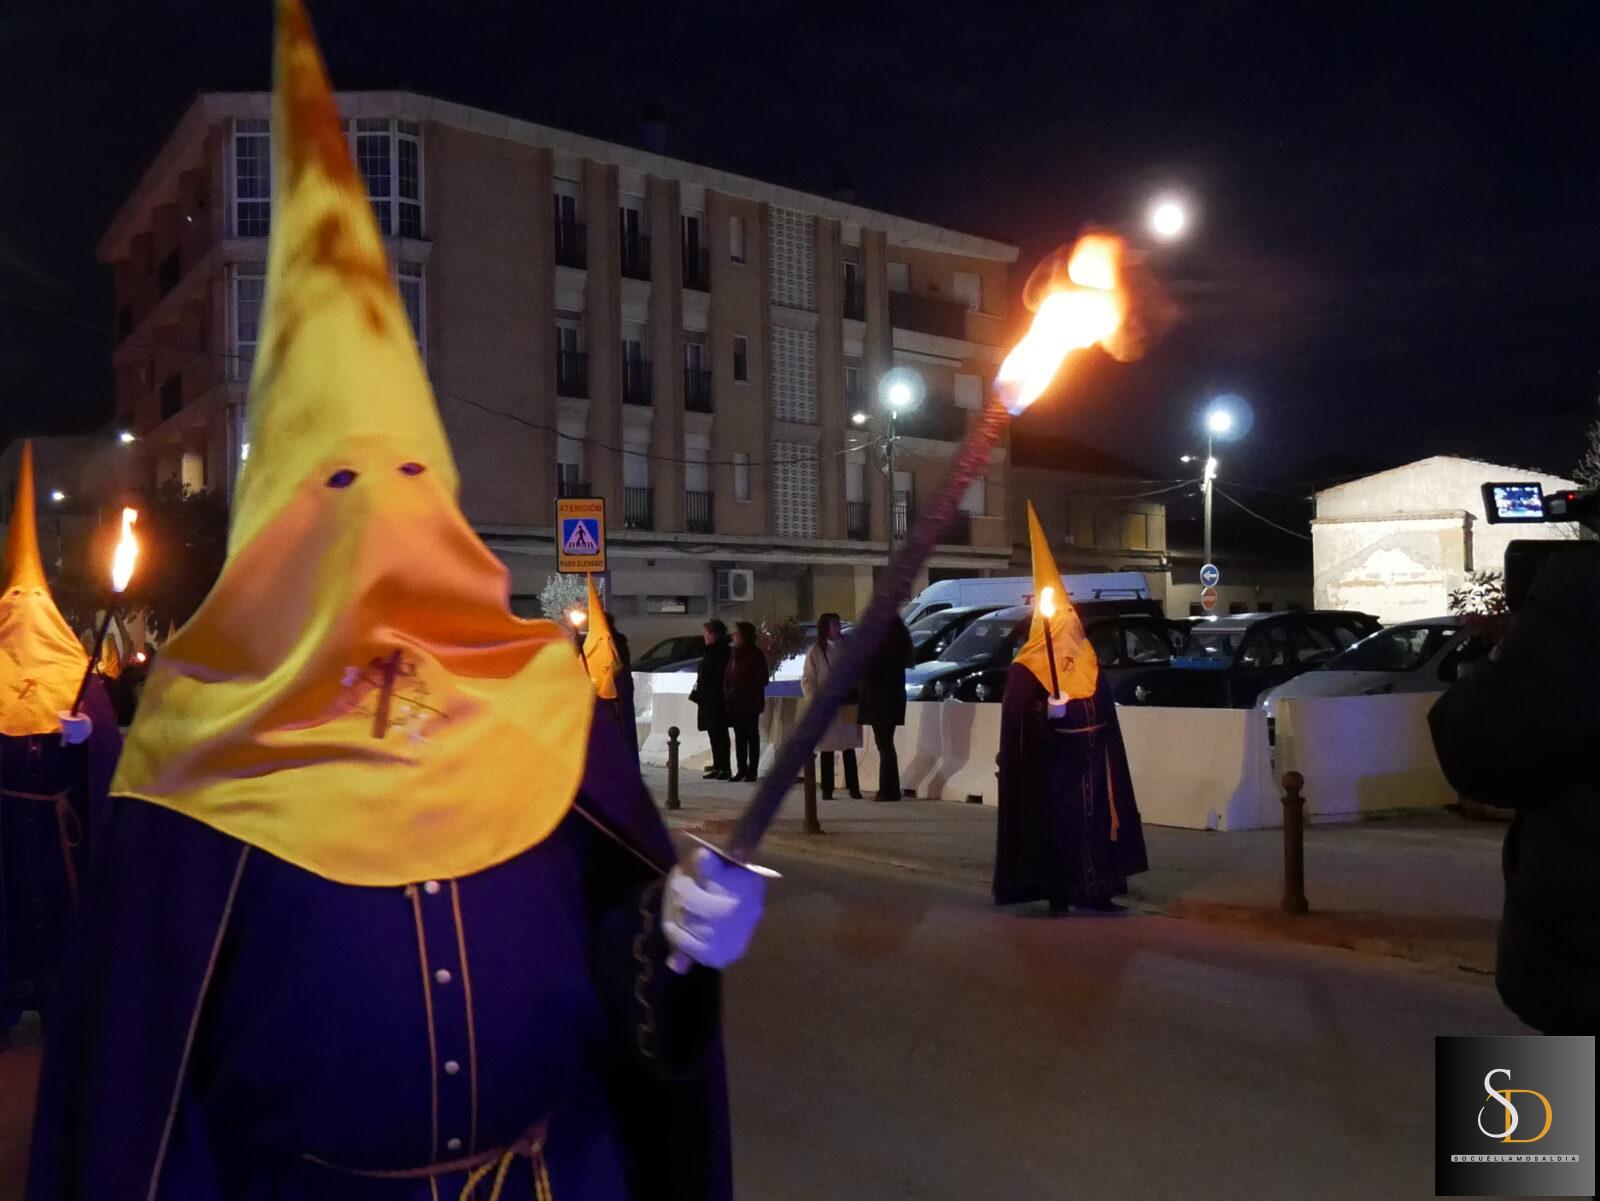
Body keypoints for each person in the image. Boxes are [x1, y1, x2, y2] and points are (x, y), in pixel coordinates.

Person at [27, 5, 768, 1197]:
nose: (383, 515)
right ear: (276, 531)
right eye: (339, 482)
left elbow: (618, 967)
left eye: (413, 477)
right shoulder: (196, 755)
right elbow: (137, 1092)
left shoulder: (544, 710)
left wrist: (677, 944)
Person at [1429, 543, 1600, 1035]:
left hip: (1576, 976)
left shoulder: (1583, 589)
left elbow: (1480, 749)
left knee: (1520, 1111)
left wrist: (1516, 646)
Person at [0, 442, 123, 1047]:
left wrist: (90, 736)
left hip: (59, 833)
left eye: (33, 601)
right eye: (11, 601)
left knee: (63, 916)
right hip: (4, 825)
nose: (22, 610)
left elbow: (109, 770)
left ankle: (64, 1005)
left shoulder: (83, 679)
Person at [994, 504, 1148, 914]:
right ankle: (1057, 894)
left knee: (1097, 827)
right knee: (1057, 832)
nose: (1073, 625)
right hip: (1052, 771)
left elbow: (1103, 707)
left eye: (1071, 617)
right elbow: (1016, 720)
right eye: (1065, 619)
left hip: (1094, 764)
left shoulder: (1088, 658)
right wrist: (1048, 712)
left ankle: (1099, 890)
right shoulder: (1028, 666)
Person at [801, 613, 863, 800]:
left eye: (838, 623)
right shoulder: (816, 651)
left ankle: (854, 788)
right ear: (825, 628)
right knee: (827, 748)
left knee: (849, 746)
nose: (837, 627)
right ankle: (827, 789)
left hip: (848, 702)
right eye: (833, 624)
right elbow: (808, 679)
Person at [856, 614, 914, 802]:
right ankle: (890, 788)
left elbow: (867, 670)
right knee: (887, 743)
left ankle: (888, 789)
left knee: (884, 745)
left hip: (879, 702)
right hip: (892, 701)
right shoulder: (897, 647)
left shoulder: (879, 649)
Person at [724, 621, 768, 783]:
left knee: (751, 736)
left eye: (736, 633)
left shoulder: (755, 654)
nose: (733, 636)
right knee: (739, 737)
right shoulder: (734, 654)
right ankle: (741, 769)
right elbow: (728, 676)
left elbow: (762, 679)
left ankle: (752, 771)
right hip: (735, 702)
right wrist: (728, 692)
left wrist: (745, 686)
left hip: (750, 702)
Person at [691, 619, 732, 780]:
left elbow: (719, 675)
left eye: (706, 633)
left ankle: (724, 766)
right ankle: (718, 765)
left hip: (716, 698)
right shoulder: (710, 651)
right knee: (713, 733)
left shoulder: (721, 652)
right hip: (707, 697)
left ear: (714, 635)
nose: (704, 637)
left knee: (720, 732)